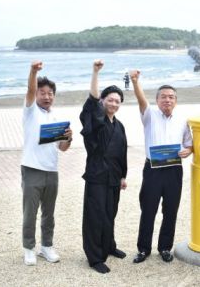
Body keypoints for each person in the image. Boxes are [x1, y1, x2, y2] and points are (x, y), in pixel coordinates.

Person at [130, 70, 193, 264]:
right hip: (153, 170)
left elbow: (189, 144)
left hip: (174, 170)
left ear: (176, 100)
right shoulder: (149, 115)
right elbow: (141, 100)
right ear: (156, 100)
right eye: (163, 97)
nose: (167, 100)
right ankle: (143, 249)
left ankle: (165, 247)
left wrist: (188, 151)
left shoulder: (183, 120)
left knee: (170, 210)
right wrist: (135, 81)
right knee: (148, 209)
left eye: (171, 97)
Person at [21, 61, 73, 266]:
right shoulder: (30, 111)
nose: (46, 96)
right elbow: (30, 89)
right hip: (32, 168)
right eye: (42, 93)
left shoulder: (57, 116)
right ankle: (28, 248)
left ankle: (46, 246)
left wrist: (69, 138)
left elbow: (62, 148)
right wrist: (33, 71)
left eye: (50, 93)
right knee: (30, 213)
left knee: (49, 213)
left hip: (52, 170)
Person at [79, 60, 128, 274]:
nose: (114, 104)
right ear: (103, 101)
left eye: (118, 101)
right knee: (95, 216)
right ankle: (95, 257)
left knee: (110, 213)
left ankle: (109, 246)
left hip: (114, 178)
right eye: (110, 100)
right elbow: (91, 102)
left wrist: (123, 176)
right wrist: (95, 73)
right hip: (97, 175)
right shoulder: (96, 120)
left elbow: (122, 153)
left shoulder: (119, 125)